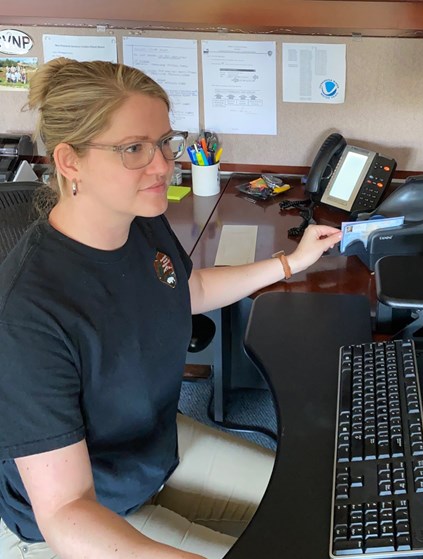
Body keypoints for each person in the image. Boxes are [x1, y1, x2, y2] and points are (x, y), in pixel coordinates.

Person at [0, 57, 342, 559]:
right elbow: (65, 511)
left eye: (164, 142)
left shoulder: (140, 219)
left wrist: (291, 263)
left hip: (153, 453)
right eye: (134, 149)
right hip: (86, 519)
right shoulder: (27, 317)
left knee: (327, 506)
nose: (163, 164)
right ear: (70, 162)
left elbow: (186, 290)